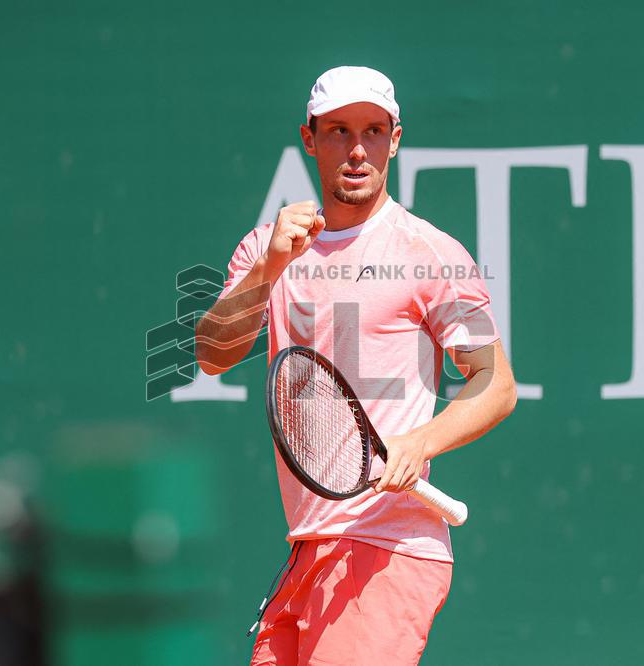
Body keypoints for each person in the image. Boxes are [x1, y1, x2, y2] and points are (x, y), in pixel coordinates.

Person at [195, 66, 517, 666]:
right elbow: (212, 353)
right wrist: (268, 270)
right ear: (310, 138)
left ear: (396, 138)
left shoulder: (430, 254)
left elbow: (496, 383)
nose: (357, 149)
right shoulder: (268, 248)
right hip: (307, 551)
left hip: (387, 547)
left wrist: (419, 442)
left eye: (373, 130)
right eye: (339, 131)